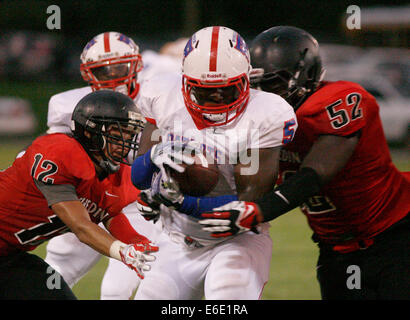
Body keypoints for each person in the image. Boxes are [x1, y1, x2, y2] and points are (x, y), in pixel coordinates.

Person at [199, 26, 410, 300]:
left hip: (395, 237)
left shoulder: (336, 100)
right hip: (337, 250)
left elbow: (315, 174)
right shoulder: (258, 124)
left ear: (305, 77)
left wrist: (259, 211)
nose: (263, 96)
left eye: (272, 85)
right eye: (256, 86)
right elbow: (242, 185)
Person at [130, 26, 297, 299]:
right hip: (175, 240)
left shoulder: (267, 112)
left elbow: (249, 200)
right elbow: (140, 176)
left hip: (237, 240)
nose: (217, 97)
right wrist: (153, 170)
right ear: (185, 81)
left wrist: (179, 201)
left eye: (226, 89)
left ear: (246, 79)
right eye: (206, 91)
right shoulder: (162, 94)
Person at [43, 31, 183, 299]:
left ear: (137, 64)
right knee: (56, 270)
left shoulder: (160, 92)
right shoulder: (66, 105)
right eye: (102, 70)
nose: (112, 75)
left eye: (120, 66)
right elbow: (57, 156)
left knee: (115, 290)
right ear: (87, 73)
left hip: (136, 204)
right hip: (89, 199)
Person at [0, 90, 158, 299]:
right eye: (118, 132)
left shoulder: (111, 175)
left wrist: (136, 241)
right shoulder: (61, 153)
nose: (126, 141)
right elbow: (81, 227)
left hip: (8, 254)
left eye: (130, 134)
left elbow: (109, 214)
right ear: (91, 131)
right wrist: (121, 251)